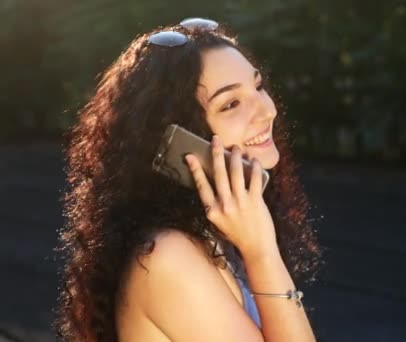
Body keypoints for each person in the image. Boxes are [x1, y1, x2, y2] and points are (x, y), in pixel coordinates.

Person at [55, 18, 322, 341]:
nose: (267, 111)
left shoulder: (219, 236)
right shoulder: (168, 257)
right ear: (181, 139)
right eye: (231, 103)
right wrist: (262, 252)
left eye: (258, 86)